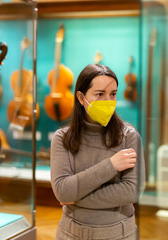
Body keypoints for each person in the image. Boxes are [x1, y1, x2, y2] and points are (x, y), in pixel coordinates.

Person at [50, 63, 145, 240]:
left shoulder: (129, 136)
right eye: (100, 94)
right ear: (80, 97)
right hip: (71, 234)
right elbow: (63, 191)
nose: (108, 101)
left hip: (120, 234)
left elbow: (132, 191)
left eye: (113, 94)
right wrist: (111, 165)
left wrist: (76, 196)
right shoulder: (62, 138)